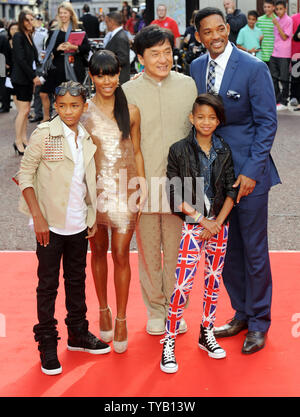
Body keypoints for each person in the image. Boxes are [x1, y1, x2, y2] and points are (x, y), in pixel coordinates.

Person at [190, 7, 281, 354]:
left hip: (249, 176)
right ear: (199, 36)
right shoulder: (197, 68)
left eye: (219, 29)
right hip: (213, 177)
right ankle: (241, 312)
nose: (215, 36)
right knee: (226, 251)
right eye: (207, 32)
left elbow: (266, 125)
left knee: (254, 250)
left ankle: (260, 322)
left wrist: (251, 172)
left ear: (228, 29)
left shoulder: (254, 68)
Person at [16, 81, 111, 376]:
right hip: (50, 224)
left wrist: (92, 215)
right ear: (55, 106)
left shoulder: (85, 137)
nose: (68, 111)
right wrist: (38, 217)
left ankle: (77, 334)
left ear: (84, 107)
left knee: (76, 280)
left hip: (78, 222)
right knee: (47, 285)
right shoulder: (45, 135)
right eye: (62, 105)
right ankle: (46, 342)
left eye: (75, 105)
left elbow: (86, 182)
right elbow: (25, 176)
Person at [123, 25, 198, 336]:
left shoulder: (188, 85)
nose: (163, 59)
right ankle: (155, 310)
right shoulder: (127, 91)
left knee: (178, 252)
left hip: (182, 182)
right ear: (141, 57)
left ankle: (175, 308)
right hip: (142, 181)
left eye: (167, 52)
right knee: (149, 250)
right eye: (155, 54)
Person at [160, 94, 237, 373]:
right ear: (192, 118)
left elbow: (231, 190)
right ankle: (169, 341)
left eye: (212, 117)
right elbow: (173, 192)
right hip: (194, 226)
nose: (206, 122)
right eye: (201, 116)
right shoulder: (178, 150)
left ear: (219, 121)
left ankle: (207, 333)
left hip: (219, 225)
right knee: (182, 285)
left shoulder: (225, 150)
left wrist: (217, 223)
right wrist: (202, 221)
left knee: (213, 283)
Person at [81, 50, 147, 354]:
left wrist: (143, 184)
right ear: (92, 76)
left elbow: (136, 151)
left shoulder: (131, 111)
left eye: (112, 73)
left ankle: (121, 318)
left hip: (125, 189)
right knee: (97, 251)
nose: (107, 80)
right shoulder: (81, 111)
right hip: (92, 193)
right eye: (100, 74)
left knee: (121, 253)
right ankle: (103, 309)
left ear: (119, 74)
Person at [39, 1, 90, 122]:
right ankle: (51, 119)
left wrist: (74, 48)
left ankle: (74, 119)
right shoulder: (53, 30)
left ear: (70, 13)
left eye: (65, 13)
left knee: (74, 94)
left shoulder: (78, 28)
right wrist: (58, 48)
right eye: (60, 13)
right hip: (57, 66)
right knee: (53, 94)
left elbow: (87, 47)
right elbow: (48, 51)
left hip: (74, 65)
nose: (62, 15)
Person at [11, 10, 42, 155]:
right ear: (21, 22)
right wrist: (33, 77)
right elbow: (21, 60)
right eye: (27, 20)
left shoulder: (29, 36)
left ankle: (23, 138)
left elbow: (32, 58)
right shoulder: (18, 36)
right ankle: (18, 141)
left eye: (32, 19)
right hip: (21, 79)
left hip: (27, 79)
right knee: (23, 111)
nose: (30, 23)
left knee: (26, 111)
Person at [269, 1, 293, 111]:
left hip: (284, 54)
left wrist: (277, 25)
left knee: (284, 78)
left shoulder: (288, 20)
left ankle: (284, 100)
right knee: (273, 78)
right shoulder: (276, 20)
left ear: (285, 9)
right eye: (277, 9)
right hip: (274, 52)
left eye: (280, 9)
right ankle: (277, 100)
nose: (278, 11)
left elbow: (284, 37)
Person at [104, 12, 130, 84]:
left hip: (119, 78)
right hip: (115, 77)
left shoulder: (120, 37)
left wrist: (106, 62)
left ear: (111, 22)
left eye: (106, 22)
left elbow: (123, 58)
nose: (105, 25)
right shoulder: (117, 35)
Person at [30, 14, 48, 123]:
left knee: (41, 89)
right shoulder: (30, 32)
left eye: (40, 20)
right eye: (36, 19)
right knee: (35, 91)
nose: (38, 21)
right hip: (31, 63)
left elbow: (45, 48)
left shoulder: (44, 32)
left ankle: (45, 113)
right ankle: (38, 113)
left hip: (40, 63)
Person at [256, 0, 276, 66]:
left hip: (274, 53)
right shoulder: (259, 20)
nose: (266, 9)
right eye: (265, 7)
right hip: (261, 54)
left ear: (273, 7)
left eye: (268, 7)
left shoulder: (277, 20)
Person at [0, 19, 11, 113]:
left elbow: (5, 51)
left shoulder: (2, 36)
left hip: (2, 63)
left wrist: (6, 63)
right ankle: (5, 105)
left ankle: (5, 105)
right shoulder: (3, 35)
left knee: (3, 85)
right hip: (2, 62)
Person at [291, 12, 300, 110]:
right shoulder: (293, 18)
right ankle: (294, 97)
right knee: (295, 76)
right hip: (296, 53)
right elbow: (294, 36)